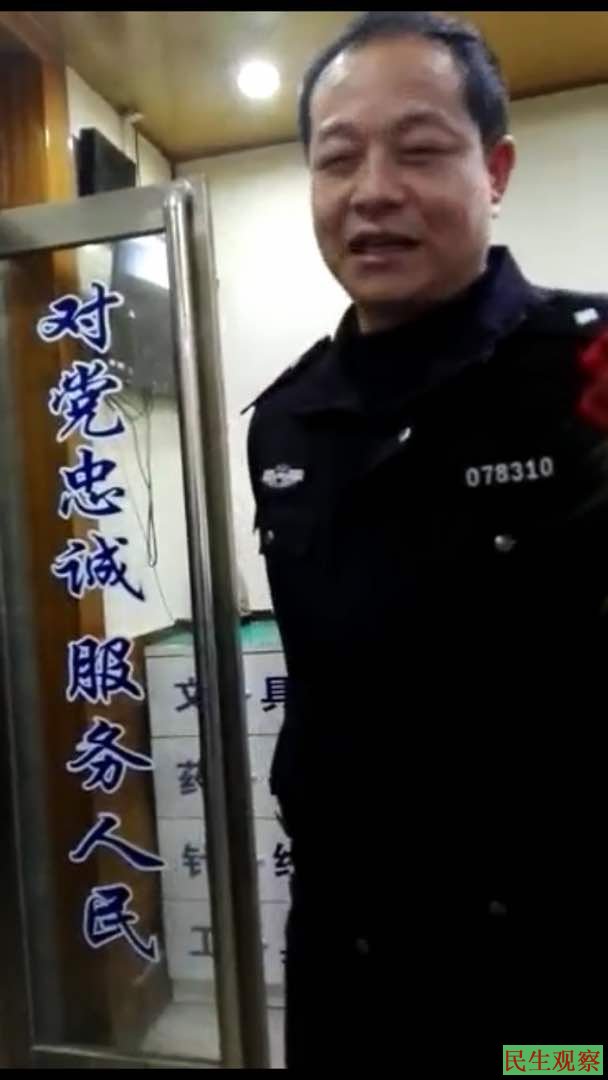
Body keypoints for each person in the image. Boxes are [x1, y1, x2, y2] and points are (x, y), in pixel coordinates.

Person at [245, 11, 607, 1071]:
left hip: (549, 978)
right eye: (337, 159)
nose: (372, 192)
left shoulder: (589, 375)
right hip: (346, 962)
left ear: (493, 170)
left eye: (418, 149)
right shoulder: (288, 422)